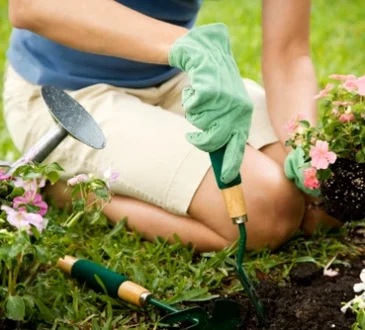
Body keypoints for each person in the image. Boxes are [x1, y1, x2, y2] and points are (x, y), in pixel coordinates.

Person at [4, 0, 340, 252]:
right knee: (268, 213)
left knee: (322, 205)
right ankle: (69, 190)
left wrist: (302, 142)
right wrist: (184, 45)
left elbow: (288, 52)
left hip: (173, 74)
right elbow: (31, 5)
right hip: (68, 97)